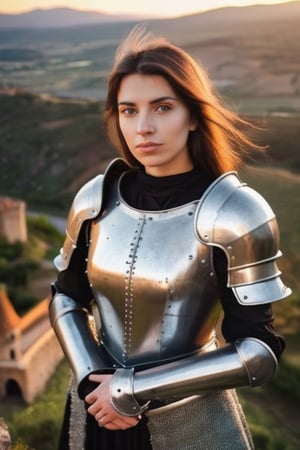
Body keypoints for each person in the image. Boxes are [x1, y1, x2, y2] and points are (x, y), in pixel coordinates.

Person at [49, 26, 291, 450]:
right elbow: (66, 297)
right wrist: (92, 379)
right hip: (95, 409)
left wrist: (131, 391)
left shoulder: (234, 214)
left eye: (162, 107)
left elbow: (258, 352)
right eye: (128, 110)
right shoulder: (95, 199)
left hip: (189, 416)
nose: (143, 127)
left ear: (194, 115)